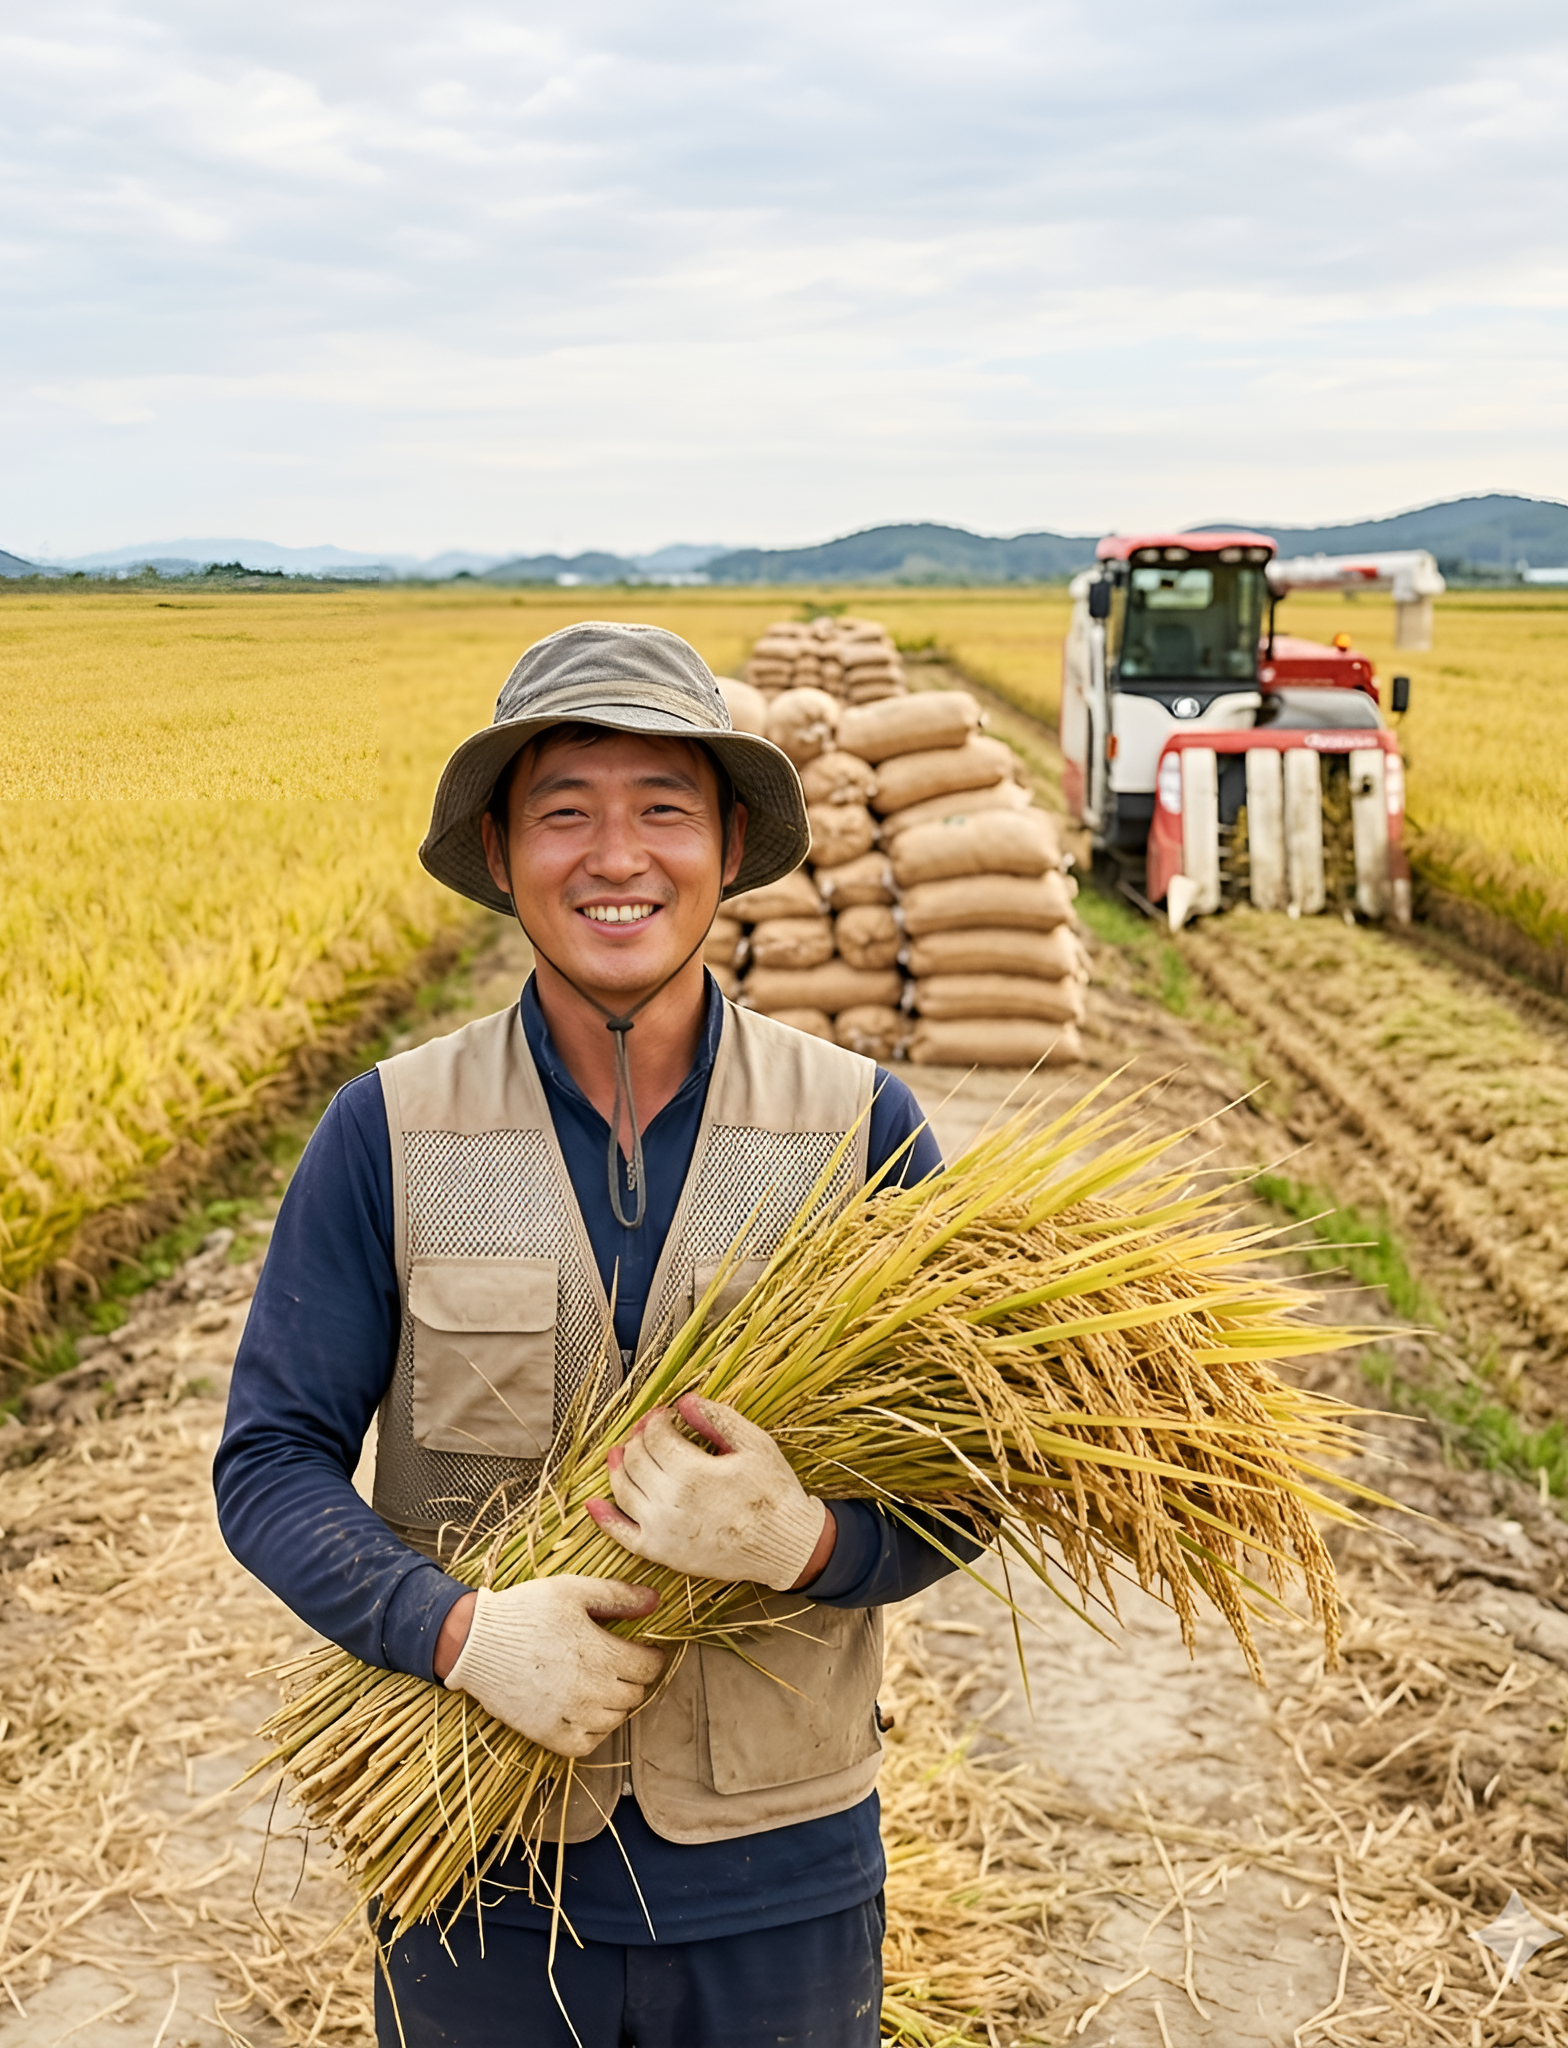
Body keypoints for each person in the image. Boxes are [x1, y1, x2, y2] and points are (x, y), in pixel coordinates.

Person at [215, 622, 982, 2047]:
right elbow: (268, 1463)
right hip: (477, 1873)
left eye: (662, 810)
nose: (615, 857)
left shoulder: (858, 1127)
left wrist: (805, 1544)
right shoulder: (388, 1131)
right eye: (565, 811)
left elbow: (973, 1482)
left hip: (783, 1876)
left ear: (729, 843)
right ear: (501, 852)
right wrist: (454, 1634)